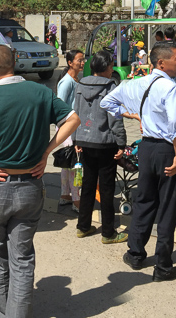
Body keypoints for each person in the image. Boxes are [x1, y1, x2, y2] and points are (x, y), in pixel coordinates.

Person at [0, 44, 80, 317]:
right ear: (16, 63)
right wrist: (46, 151)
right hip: (30, 185)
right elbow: (73, 119)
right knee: (22, 258)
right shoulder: (41, 92)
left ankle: (3, 311)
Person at [101, 42, 176, 281]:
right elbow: (175, 126)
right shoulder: (170, 88)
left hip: (146, 148)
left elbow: (106, 103)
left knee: (145, 200)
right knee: (168, 206)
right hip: (168, 149)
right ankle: (163, 266)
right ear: (162, 62)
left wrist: (132, 114)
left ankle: (136, 253)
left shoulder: (136, 83)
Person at [72, 49, 128, 244]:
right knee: (106, 188)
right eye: (111, 65)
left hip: (85, 141)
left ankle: (83, 226)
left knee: (88, 185)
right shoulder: (110, 87)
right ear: (106, 68)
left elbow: (75, 114)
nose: (113, 68)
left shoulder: (81, 85)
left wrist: (76, 139)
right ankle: (108, 232)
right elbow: (115, 119)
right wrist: (121, 142)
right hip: (105, 143)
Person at [56, 50, 85, 213]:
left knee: (67, 164)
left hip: (72, 126)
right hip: (68, 127)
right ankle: (76, 199)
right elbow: (60, 106)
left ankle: (65, 195)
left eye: (83, 60)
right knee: (75, 163)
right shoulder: (67, 82)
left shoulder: (75, 79)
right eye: (79, 60)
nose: (82, 63)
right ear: (69, 62)